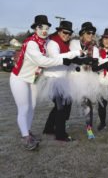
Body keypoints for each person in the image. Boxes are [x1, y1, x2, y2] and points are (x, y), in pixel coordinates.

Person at [10, 15, 79, 150]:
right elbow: (42, 61)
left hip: (33, 79)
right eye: (41, 27)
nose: (44, 30)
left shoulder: (46, 41)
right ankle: (25, 138)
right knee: (24, 107)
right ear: (35, 28)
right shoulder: (31, 43)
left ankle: (28, 131)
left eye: (47, 27)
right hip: (19, 78)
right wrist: (64, 59)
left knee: (32, 106)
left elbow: (56, 48)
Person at [42, 21, 89, 142]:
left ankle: (48, 128)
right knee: (61, 108)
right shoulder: (53, 43)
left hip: (62, 78)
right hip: (53, 79)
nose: (67, 35)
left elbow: (69, 59)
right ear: (59, 31)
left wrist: (83, 60)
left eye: (69, 34)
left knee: (61, 106)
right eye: (65, 32)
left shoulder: (64, 43)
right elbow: (55, 57)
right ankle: (60, 134)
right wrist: (75, 53)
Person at [69, 22, 100, 140]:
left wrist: (102, 64)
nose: (91, 35)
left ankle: (89, 128)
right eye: (88, 32)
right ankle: (65, 122)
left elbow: (95, 65)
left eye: (93, 33)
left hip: (87, 78)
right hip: (72, 78)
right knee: (68, 103)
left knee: (87, 104)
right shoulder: (74, 43)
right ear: (82, 33)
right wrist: (83, 59)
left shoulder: (94, 48)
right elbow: (71, 58)